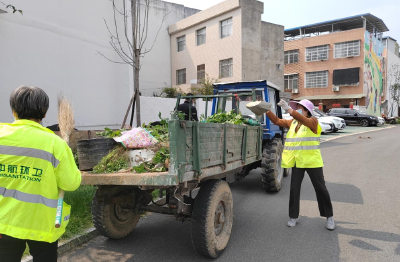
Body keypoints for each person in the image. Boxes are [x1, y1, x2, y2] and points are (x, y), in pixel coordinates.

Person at [0, 86, 82, 261]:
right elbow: (71, 183)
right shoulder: (55, 144)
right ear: (44, 114)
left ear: (13, 111)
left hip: (4, 222)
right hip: (42, 225)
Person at [267, 99, 335, 230]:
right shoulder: (294, 122)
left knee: (321, 189)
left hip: (312, 162)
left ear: (307, 111)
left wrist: (289, 110)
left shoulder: (313, 121)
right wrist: (266, 111)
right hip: (298, 161)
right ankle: (293, 216)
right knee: (294, 189)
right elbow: (277, 121)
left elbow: (306, 121)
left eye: (300, 108)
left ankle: (329, 216)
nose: (297, 109)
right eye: (296, 107)